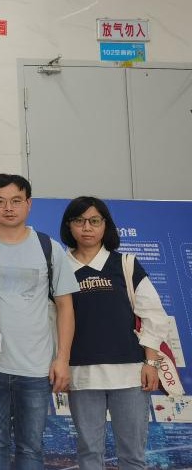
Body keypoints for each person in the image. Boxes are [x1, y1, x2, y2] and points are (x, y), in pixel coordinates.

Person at [0, 174, 79, 470]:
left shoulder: (48, 248)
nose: (8, 208)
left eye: (16, 201)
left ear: (29, 204)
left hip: (36, 368)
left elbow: (65, 307)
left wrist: (62, 359)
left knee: (31, 447)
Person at [60, 196, 168, 470]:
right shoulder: (60, 267)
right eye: (79, 220)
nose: (87, 227)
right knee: (89, 453)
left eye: (94, 221)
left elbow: (153, 314)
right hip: (81, 375)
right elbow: (53, 321)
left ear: (105, 225)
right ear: (69, 225)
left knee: (132, 455)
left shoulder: (126, 264)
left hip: (130, 374)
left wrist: (151, 363)